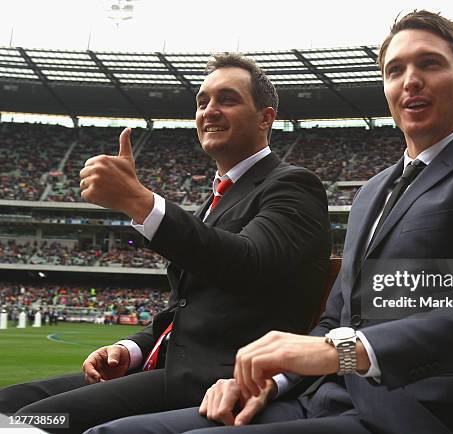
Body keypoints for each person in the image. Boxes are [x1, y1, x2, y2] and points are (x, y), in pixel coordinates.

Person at [86, 10, 453, 434]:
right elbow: (336, 319)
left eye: (429, 64)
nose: (411, 80)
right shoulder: (372, 192)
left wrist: (340, 352)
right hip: (318, 402)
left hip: (423, 414)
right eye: (395, 70)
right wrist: (271, 378)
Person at [0, 54, 331, 433]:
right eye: (202, 101)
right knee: (6, 403)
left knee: (29, 423)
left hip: (214, 380)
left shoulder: (293, 185)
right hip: (161, 369)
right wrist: (130, 349)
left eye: (227, 99)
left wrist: (141, 203)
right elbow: (184, 311)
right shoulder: (215, 200)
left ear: (265, 118)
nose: (210, 111)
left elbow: (247, 265)